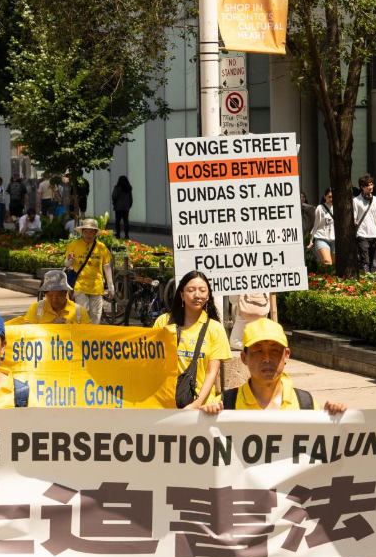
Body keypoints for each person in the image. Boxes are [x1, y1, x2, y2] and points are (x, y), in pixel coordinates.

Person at [212, 318, 348, 417]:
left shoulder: (305, 403)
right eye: (258, 351)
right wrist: (205, 418)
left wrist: (330, 420)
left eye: (275, 350)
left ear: (286, 355)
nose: (267, 358)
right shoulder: (225, 404)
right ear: (244, 358)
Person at [153, 270, 231, 407]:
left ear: (208, 296)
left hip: (203, 408)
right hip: (164, 405)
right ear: (182, 295)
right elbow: (151, 361)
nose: (197, 295)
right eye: (191, 290)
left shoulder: (216, 329)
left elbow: (212, 372)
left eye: (202, 290)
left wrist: (196, 404)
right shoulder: (163, 322)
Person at [64, 218, 115, 324]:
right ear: (82, 232)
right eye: (86, 231)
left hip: (97, 286)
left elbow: (106, 267)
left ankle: (93, 338)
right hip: (80, 285)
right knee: (82, 314)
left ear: (95, 233)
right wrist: (70, 259)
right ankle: (82, 338)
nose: (88, 234)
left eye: (91, 231)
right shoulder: (74, 245)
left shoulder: (101, 247)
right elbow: (67, 264)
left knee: (95, 316)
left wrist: (111, 286)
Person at [25, 270, 91, 324]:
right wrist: (52, 324)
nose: (54, 299)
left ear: (66, 293)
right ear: (45, 294)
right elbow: (27, 331)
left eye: (58, 295)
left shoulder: (79, 311)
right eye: (50, 295)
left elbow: (88, 334)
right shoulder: (36, 308)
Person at [353, 174, 376, 273]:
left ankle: (367, 278)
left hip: (374, 234)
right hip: (361, 234)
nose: (371, 187)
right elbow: (354, 218)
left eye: (371, 184)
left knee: (370, 260)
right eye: (368, 185)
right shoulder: (356, 200)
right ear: (362, 187)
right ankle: (367, 278)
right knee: (365, 260)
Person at [307, 188, 335, 265]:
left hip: (334, 239)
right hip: (321, 237)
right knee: (327, 261)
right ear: (324, 197)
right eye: (329, 196)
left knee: (334, 263)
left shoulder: (337, 208)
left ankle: (329, 276)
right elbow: (316, 224)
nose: (331, 199)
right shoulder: (319, 208)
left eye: (333, 197)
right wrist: (311, 240)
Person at [112, 175, 134, 239]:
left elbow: (114, 196)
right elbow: (131, 199)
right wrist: (129, 205)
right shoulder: (128, 188)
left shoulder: (117, 188)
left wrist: (114, 203)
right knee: (126, 221)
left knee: (118, 221)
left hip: (118, 207)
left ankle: (118, 234)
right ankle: (126, 235)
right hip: (126, 207)